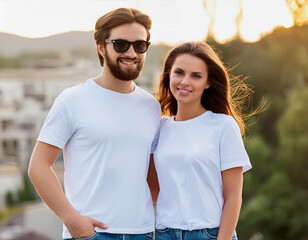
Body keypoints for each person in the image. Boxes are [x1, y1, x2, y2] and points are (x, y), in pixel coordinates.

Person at [28, 8, 161, 240]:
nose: (131, 52)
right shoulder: (72, 100)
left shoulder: (152, 107)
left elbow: (153, 175)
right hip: (90, 234)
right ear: (101, 47)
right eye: (121, 44)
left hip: (143, 233)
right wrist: (71, 219)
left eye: (140, 45)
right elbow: (38, 167)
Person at [151, 41, 252, 240]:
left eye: (195, 76)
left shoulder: (223, 126)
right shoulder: (159, 127)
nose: (185, 81)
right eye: (179, 72)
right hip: (164, 233)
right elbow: (151, 190)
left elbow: (233, 197)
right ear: (169, 75)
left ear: (208, 82)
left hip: (209, 234)